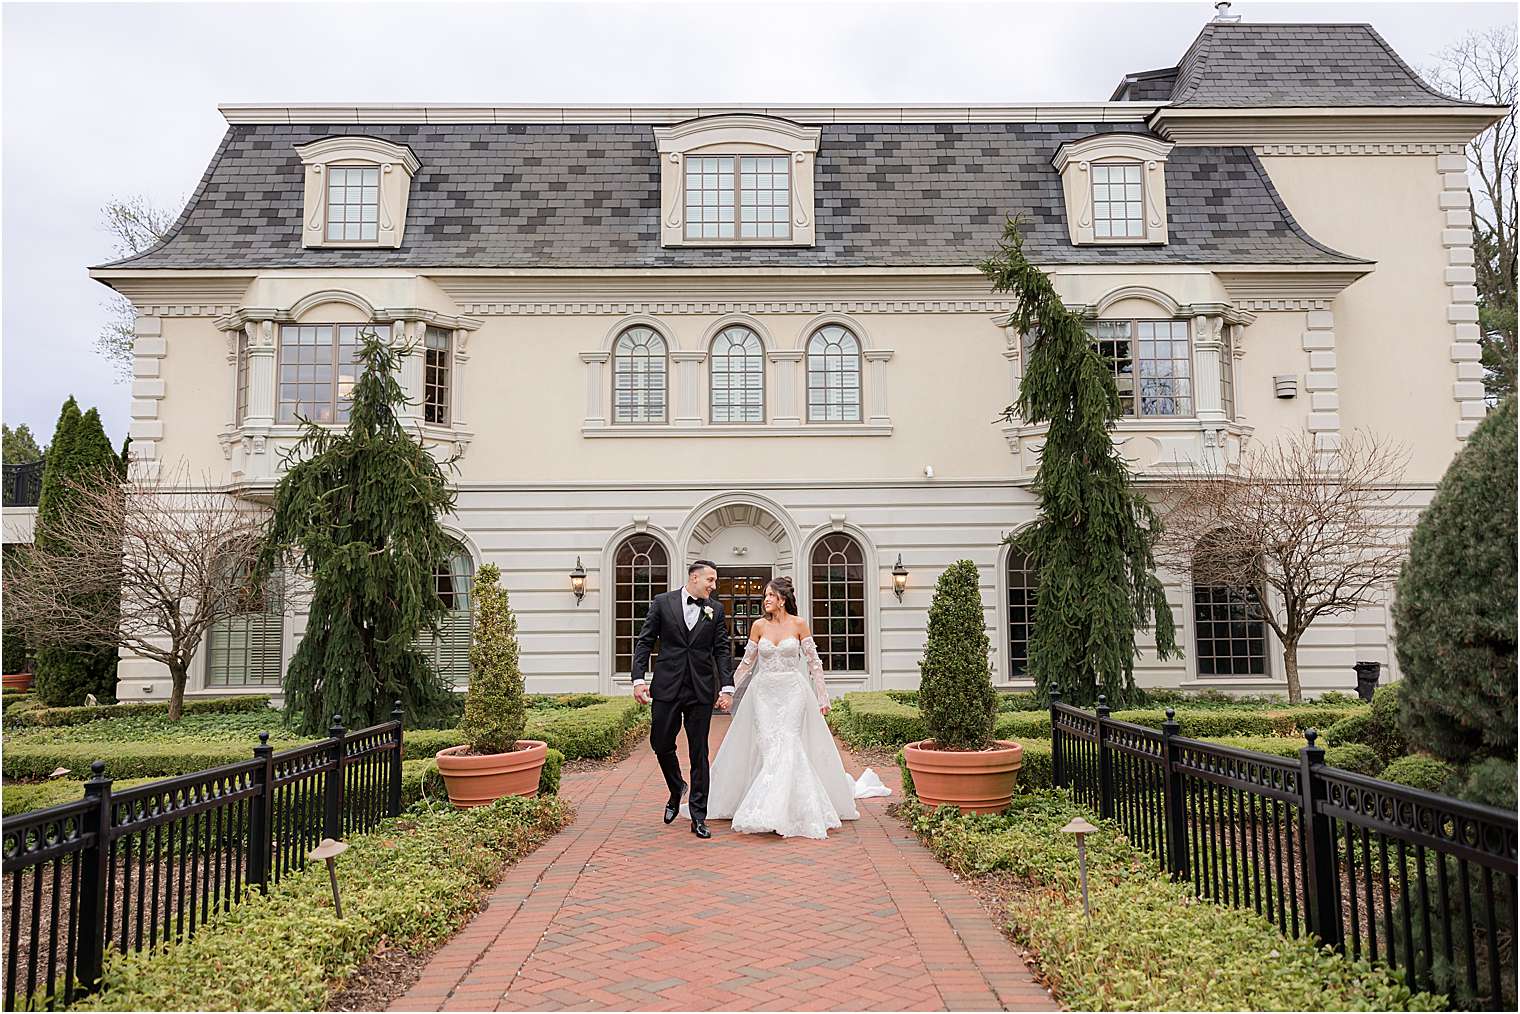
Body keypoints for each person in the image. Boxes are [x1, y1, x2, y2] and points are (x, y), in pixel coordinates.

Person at [706, 576, 888, 839]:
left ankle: (781, 810)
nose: (765, 599)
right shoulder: (758, 626)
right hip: (764, 694)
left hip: (792, 691)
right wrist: (728, 690)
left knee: (789, 741)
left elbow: (814, 663)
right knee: (769, 746)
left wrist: (823, 697)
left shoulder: (799, 624)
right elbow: (746, 664)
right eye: (765, 595)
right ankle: (773, 806)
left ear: (782, 599)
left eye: (770, 595)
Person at [630, 559, 732, 839]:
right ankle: (677, 787)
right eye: (710, 580)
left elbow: (722, 650)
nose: (714, 585)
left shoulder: (716, 610)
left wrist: (727, 687)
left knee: (699, 751)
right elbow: (645, 641)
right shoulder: (662, 602)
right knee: (660, 742)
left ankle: (698, 815)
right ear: (694, 578)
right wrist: (638, 679)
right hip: (667, 686)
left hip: (700, 689)